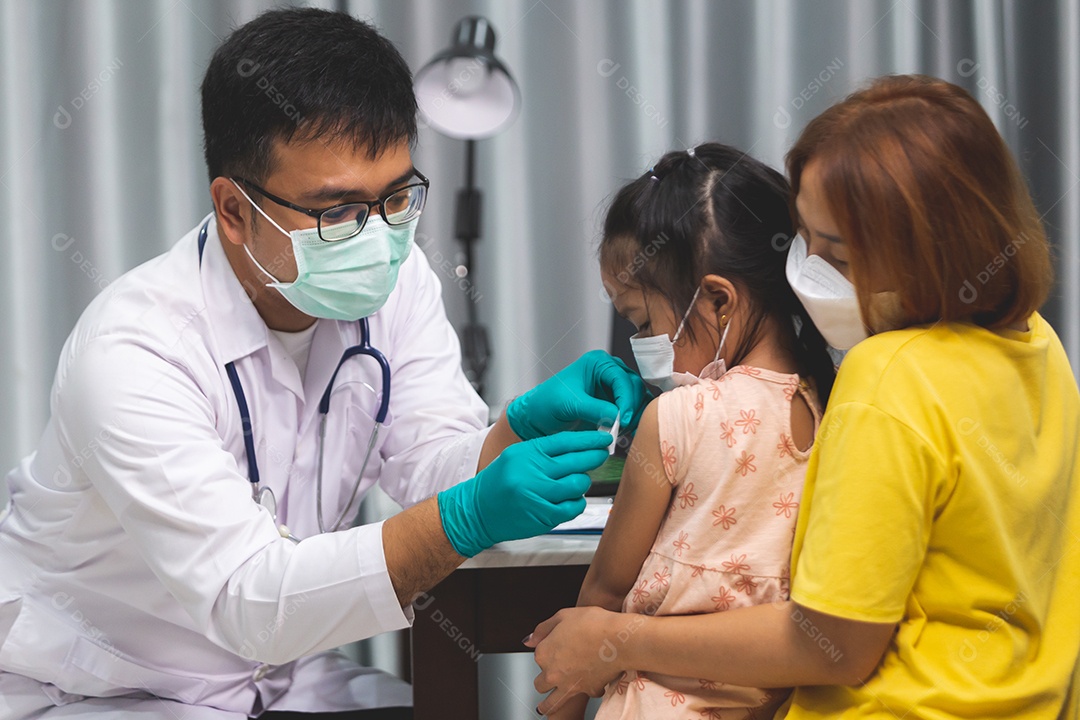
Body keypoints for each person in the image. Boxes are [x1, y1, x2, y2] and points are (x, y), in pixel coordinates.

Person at [0, 9, 646, 720]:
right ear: (234, 210)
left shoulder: (397, 282)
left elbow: (425, 463)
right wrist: (465, 518)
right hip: (102, 690)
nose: (378, 238)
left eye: (397, 196)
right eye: (336, 211)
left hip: (272, 678)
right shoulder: (133, 352)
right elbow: (249, 598)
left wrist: (508, 437)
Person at [528, 74, 1080, 720]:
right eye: (801, 241)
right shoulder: (1041, 347)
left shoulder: (886, 377)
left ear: (927, 251)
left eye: (837, 256)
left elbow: (833, 644)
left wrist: (618, 640)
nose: (805, 274)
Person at [547, 143, 833, 720]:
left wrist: (567, 699)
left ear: (717, 300)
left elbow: (605, 588)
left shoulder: (679, 416)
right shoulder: (834, 404)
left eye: (643, 321)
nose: (643, 343)